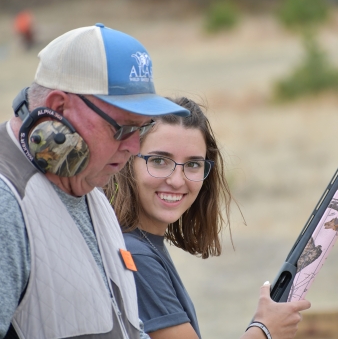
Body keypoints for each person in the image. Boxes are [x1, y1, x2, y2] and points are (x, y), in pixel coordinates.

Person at [0, 23, 191, 338]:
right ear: (59, 108)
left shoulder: (86, 182)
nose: (133, 147)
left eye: (141, 129)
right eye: (122, 128)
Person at [105, 97, 311, 339]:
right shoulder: (135, 254)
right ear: (128, 160)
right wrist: (265, 331)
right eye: (159, 161)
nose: (177, 180)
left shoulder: (142, 243)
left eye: (193, 164)